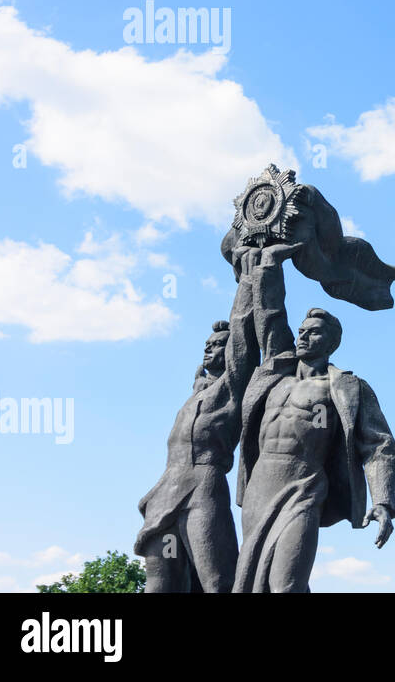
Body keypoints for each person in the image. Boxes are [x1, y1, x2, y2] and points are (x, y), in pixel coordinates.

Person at [233, 244, 395, 593]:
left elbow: (379, 444)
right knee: (252, 583)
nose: (303, 335)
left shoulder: (347, 386)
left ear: (332, 342)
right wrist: (269, 265)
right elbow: (271, 315)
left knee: (286, 584)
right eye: (303, 330)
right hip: (260, 486)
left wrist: (383, 502)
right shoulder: (277, 372)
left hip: (304, 486)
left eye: (314, 332)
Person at [135, 250, 264, 592]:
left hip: (203, 490)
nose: (209, 349)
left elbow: (243, 334)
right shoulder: (196, 391)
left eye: (218, 345)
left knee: (217, 580)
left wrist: (249, 278)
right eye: (206, 345)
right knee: (160, 583)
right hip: (165, 493)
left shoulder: (232, 389)